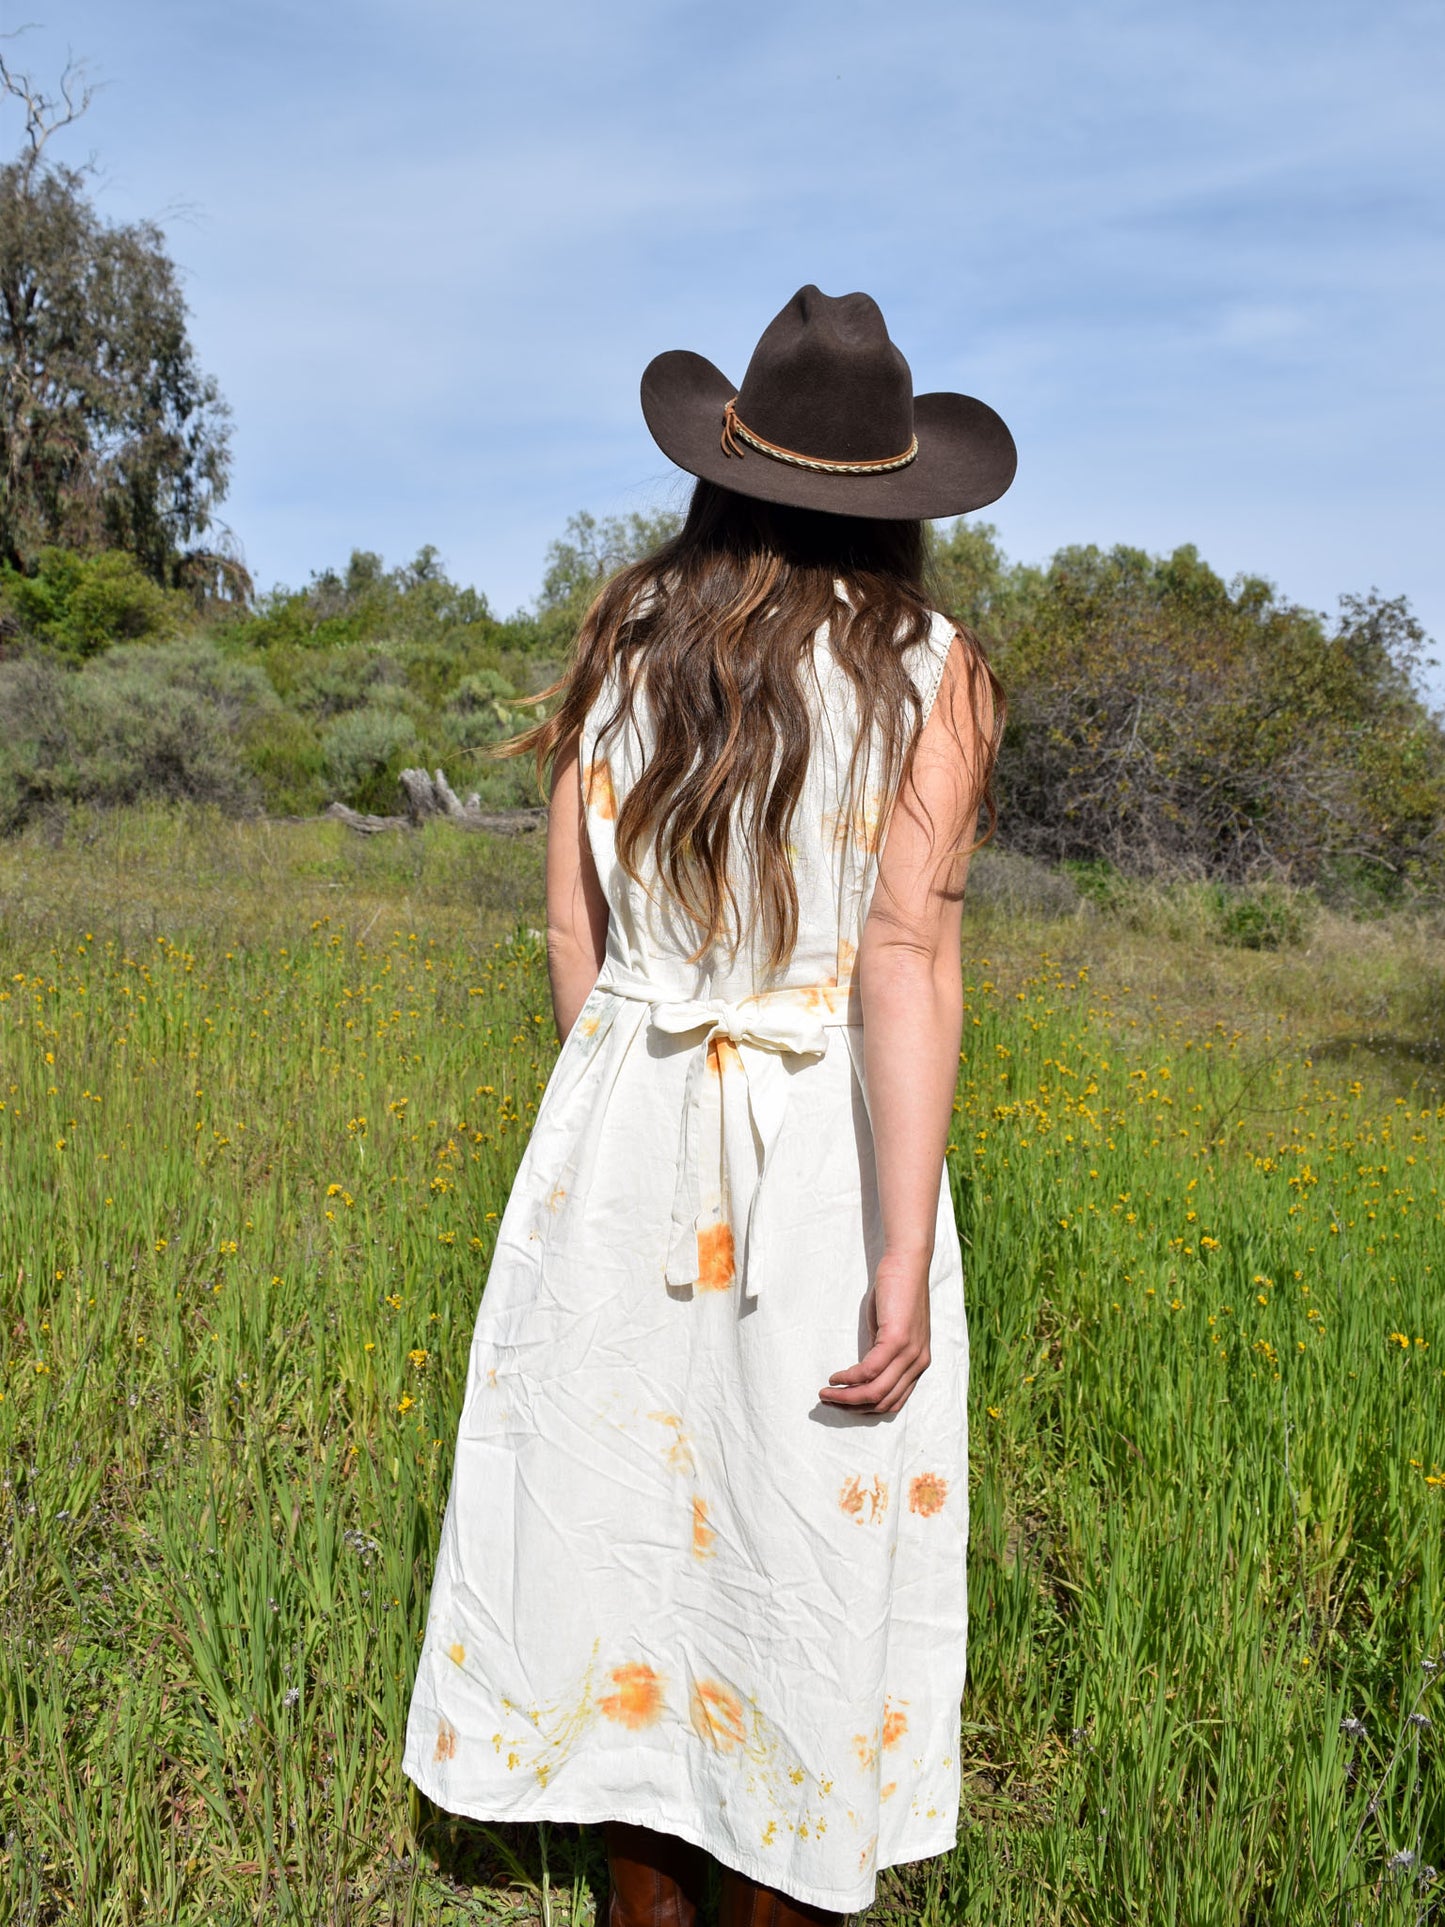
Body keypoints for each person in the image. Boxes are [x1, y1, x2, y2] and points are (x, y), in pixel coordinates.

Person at [403, 285, 1015, 1925]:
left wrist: (609, 1121)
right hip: (819, 1145)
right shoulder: (928, 667)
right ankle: (781, 1854)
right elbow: (902, 954)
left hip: (622, 1124)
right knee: (800, 1531)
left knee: (623, 1533)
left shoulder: (624, 631)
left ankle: (640, 1881)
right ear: (895, 498)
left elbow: (567, 931)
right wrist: (899, 1252)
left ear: (720, 466)